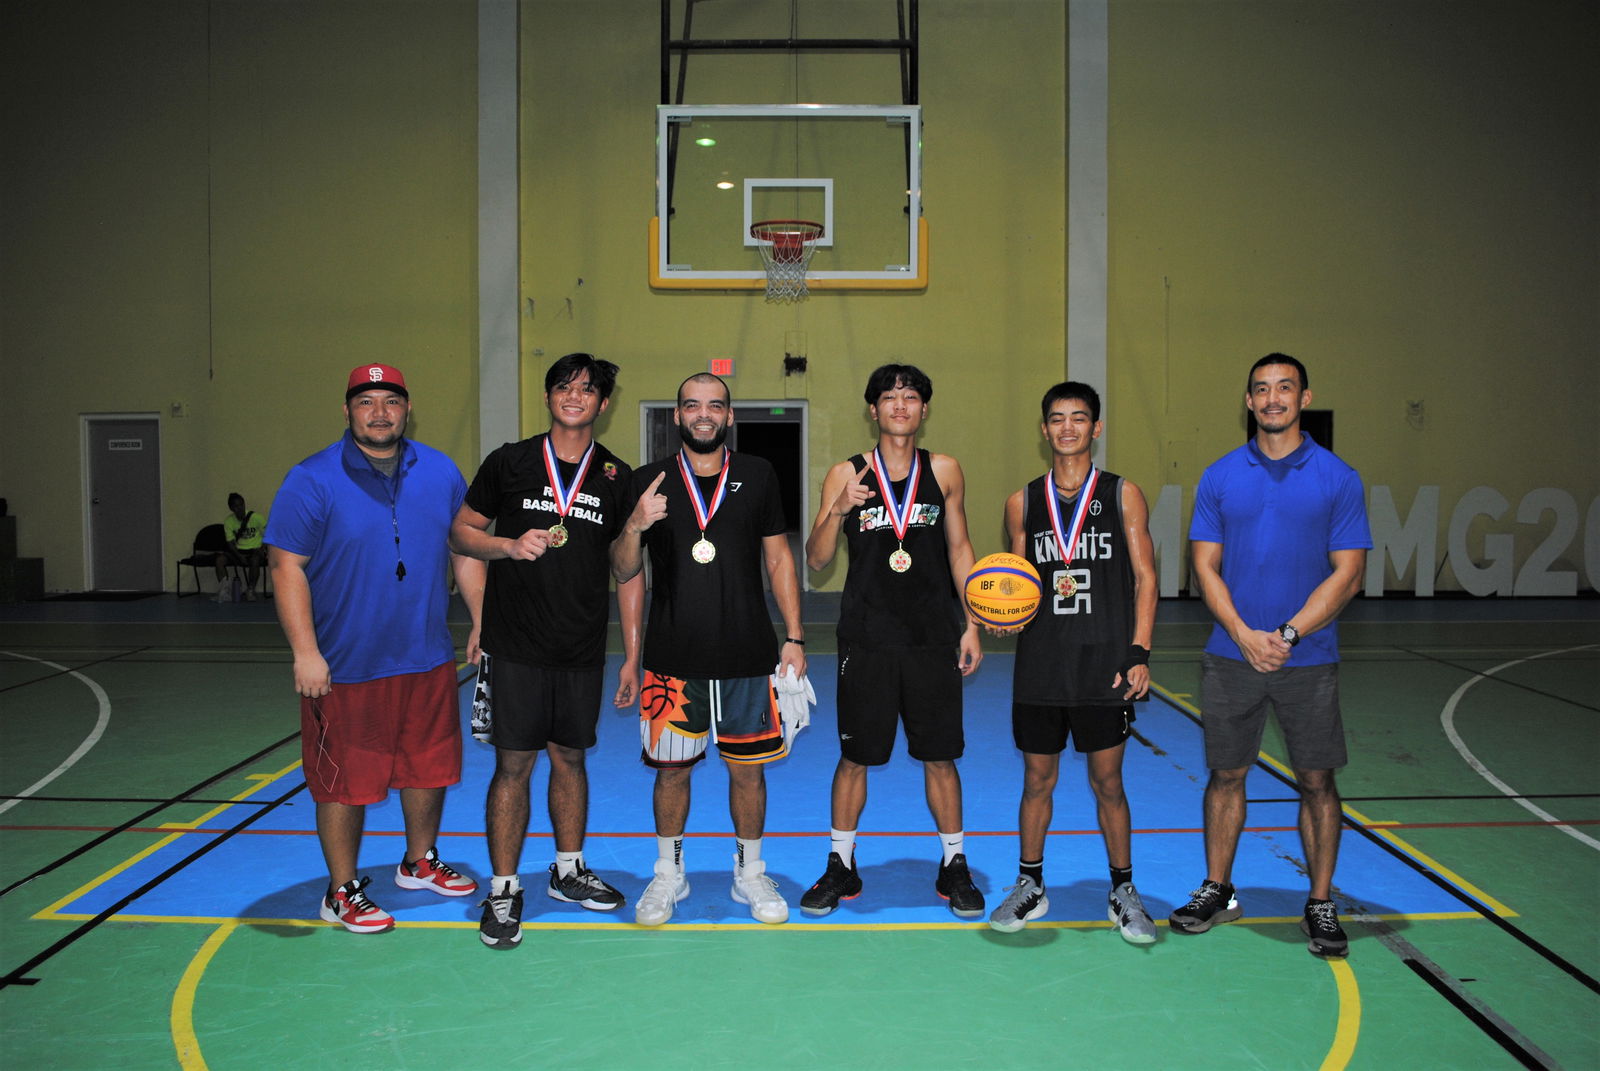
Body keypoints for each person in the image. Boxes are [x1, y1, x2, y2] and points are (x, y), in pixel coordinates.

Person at [265, 363, 483, 934]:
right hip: (346, 666)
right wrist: (305, 652)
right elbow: (286, 566)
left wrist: (482, 619)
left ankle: (419, 861)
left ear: (408, 408)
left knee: (428, 767)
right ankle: (340, 891)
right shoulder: (311, 479)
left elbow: (464, 549)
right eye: (367, 402)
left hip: (427, 655)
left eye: (390, 400)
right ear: (347, 411)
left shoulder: (439, 471)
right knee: (344, 780)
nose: (380, 412)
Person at [1173, 353, 1369, 958]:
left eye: (1284, 388)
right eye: (1261, 389)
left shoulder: (1338, 477)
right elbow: (1204, 565)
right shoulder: (1221, 475)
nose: (1273, 398)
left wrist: (1284, 635)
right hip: (1231, 655)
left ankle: (1319, 901)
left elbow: (1349, 573)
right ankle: (1219, 889)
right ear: (1249, 401)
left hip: (1306, 659)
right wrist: (1241, 632)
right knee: (1227, 774)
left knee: (1316, 780)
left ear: (1304, 397)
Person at [450, 353, 643, 950]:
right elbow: (460, 532)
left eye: (588, 389)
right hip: (516, 645)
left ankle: (567, 871)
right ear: (547, 396)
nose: (575, 396)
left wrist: (633, 654)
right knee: (514, 766)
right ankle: (504, 887)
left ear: (603, 404)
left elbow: (628, 572)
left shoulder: (616, 475)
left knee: (572, 760)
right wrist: (507, 544)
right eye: (564, 386)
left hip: (581, 648)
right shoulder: (509, 462)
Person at [611, 373, 807, 927]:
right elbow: (626, 570)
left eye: (715, 406)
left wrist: (794, 635)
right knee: (671, 773)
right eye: (692, 405)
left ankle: (749, 874)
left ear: (729, 417)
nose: (704, 414)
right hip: (673, 660)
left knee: (748, 771)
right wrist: (634, 523)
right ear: (677, 416)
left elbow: (779, 560)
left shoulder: (759, 475)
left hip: (749, 656)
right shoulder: (647, 480)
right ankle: (669, 874)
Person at [799, 364, 985, 919]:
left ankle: (954, 864)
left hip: (933, 637)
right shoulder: (845, 474)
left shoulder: (945, 470)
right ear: (872, 410)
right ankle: (841, 864)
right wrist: (838, 508)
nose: (900, 406)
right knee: (855, 756)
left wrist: (972, 621)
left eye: (910, 398)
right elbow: (816, 559)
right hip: (867, 639)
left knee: (940, 756)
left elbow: (959, 549)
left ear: (924, 410)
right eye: (889, 397)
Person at [985, 382, 1159, 941]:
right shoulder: (1022, 502)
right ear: (1044, 429)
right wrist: (998, 615)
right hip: (1040, 664)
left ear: (1096, 428)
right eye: (1057, 419)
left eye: (1079, 419)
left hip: (1104, 663)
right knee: (1038, 779)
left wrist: (1139, 652)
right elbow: (1011, 583)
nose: (1067, 428)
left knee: (1109, 781)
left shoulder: (1122, 493)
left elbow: (1146, 577)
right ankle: (1030, 884)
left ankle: (1123, 889)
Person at [214, 492, 266, 601]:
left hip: (254, 550)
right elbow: (230, 543)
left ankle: (250, 590)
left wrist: (262, 548)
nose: (240, 508)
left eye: (241, 505)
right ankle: (225, 591)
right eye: (236, 506)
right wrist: (239, 555)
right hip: (238, 551)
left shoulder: (256, 518)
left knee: (255, 560)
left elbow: (269, 535)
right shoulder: (229, 521)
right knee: (219, 560)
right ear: (231, 508)